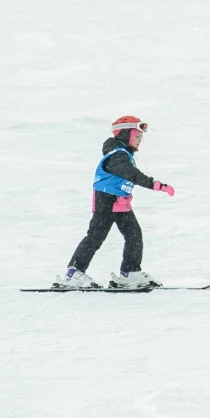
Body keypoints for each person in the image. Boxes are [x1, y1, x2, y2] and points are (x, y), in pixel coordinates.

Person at [54, 117, 175, 289]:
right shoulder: (116, 155)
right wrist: (155, 184)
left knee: (134, 235)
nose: (140, 141)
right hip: (106, 199)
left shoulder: (123, 154)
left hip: (120, 201)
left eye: (141, 138)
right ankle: (74, 273)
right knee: (96, 236)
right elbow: (131, 173)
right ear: (126, 134)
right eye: (137, 136)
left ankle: (130, 272)